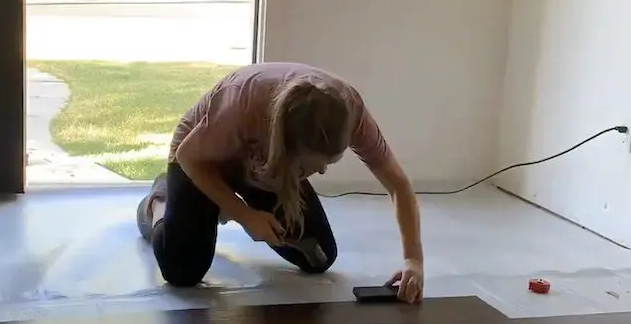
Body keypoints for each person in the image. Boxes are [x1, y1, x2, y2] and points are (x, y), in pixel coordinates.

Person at [136, 62, 424, 304]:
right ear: (287, 146)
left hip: (267, 169)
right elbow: (189, 157)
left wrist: (413, 260)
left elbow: (399, 185)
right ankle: (160, 200)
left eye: (330, 162)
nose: (321, 172)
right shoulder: (242, 103)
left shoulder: (351, 114)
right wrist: (244, 214)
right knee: (182, 271)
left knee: (319, 258)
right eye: (311, 165)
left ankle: (219, 202)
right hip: (200, 157)